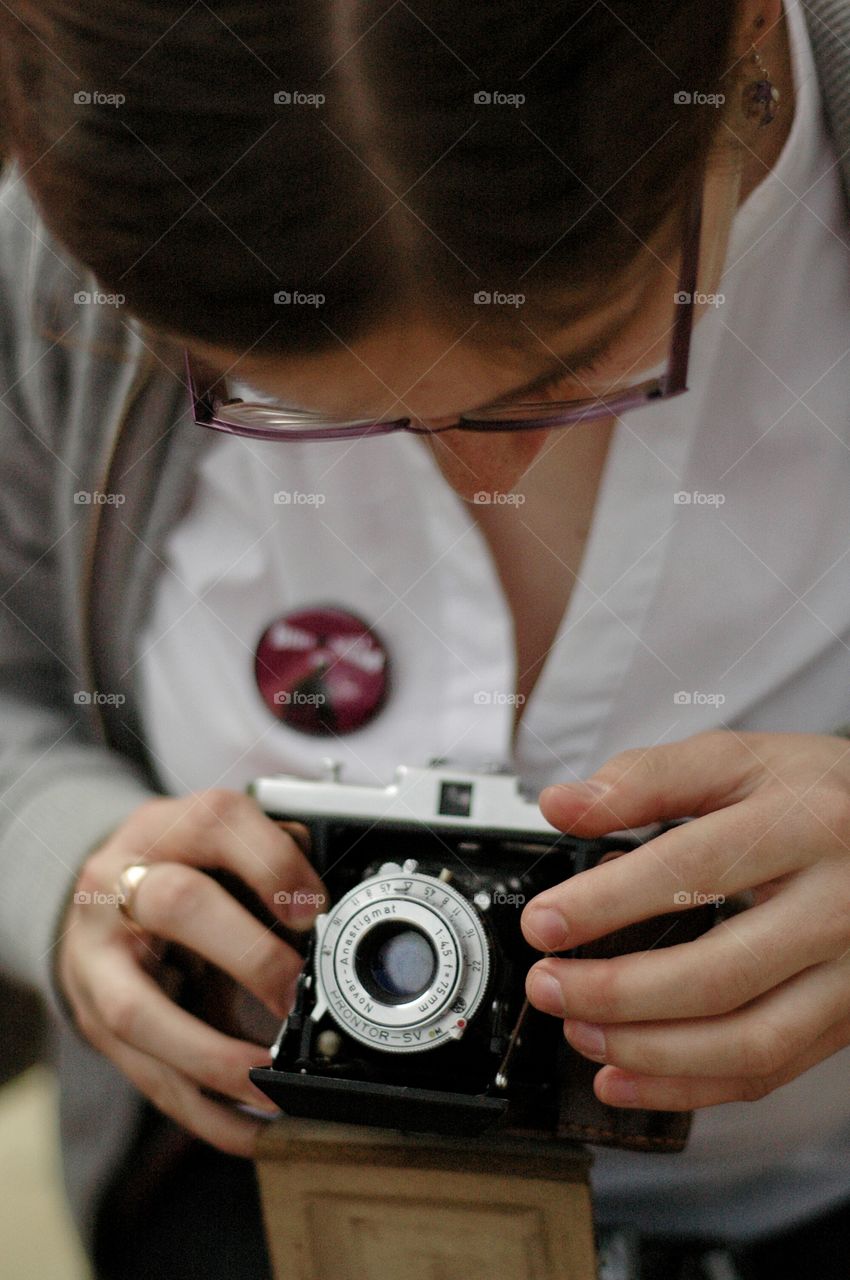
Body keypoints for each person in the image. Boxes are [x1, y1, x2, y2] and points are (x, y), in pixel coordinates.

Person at [0, 0, 849, 1276]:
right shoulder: (68, 266)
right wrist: (58, 855)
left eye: (567, 366)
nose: (482, 466)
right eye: (306, 403)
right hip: (245, 1205)